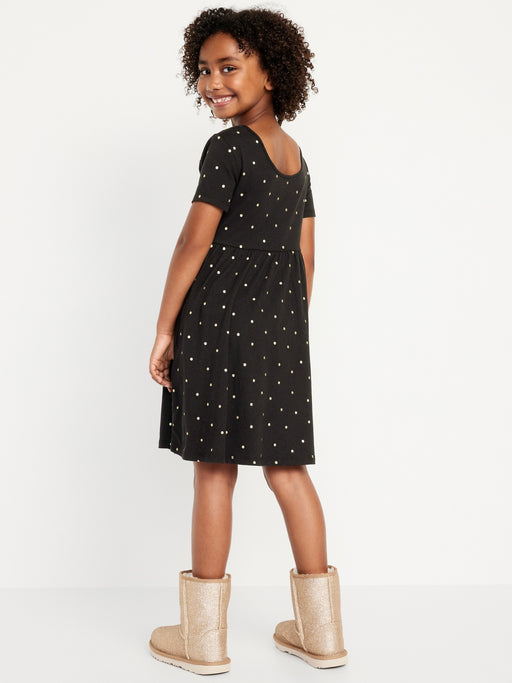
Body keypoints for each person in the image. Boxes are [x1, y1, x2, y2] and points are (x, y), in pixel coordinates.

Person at [147, 6, 348, 675]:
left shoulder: (229, 148)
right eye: (204, 71)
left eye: (229, 67)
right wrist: (282, 332)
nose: (213, 83)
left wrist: (166, 328)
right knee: (288, 470)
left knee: (214, 468)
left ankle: (203, 639)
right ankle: (322, 634)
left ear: (271, 71)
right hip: (280, 331)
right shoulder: (296, 158)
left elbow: (193, 241)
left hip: (217, 325)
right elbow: (307, 256)